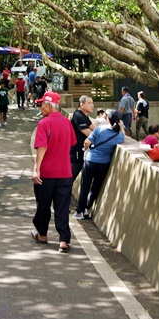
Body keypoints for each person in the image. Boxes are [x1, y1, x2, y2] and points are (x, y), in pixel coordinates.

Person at [31, 96, 75, 252]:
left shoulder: (44, 123)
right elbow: (71, 143)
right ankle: (64, 239)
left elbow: (41, 147)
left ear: (49, 105)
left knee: (43, 205)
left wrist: (36, 168)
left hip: (47, 173)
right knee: (62, 207)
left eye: (42, 105)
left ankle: (42, 234)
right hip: (65, 172)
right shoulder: (67, 122)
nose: (40, 108)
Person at [75, 111, 126, 221]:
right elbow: (122, 136)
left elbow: (87, 142)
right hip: (104, 163)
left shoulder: (99, 129)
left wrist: (86, 149)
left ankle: (79, 211)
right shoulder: (120, 136)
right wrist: (121, 128)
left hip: (90, 161)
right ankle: (87, 209)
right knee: (95, 187)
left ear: (108, 119)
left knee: (85, 186)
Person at [71, 95, 96, 180]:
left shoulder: (84, 115)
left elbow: (95, 128)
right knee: (71, 177)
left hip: (81, 151)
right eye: (89, 103)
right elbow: (90, 135)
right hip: (76, 151)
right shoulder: (79, 116)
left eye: (92, 103)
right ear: (82, 105)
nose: (92, 105)